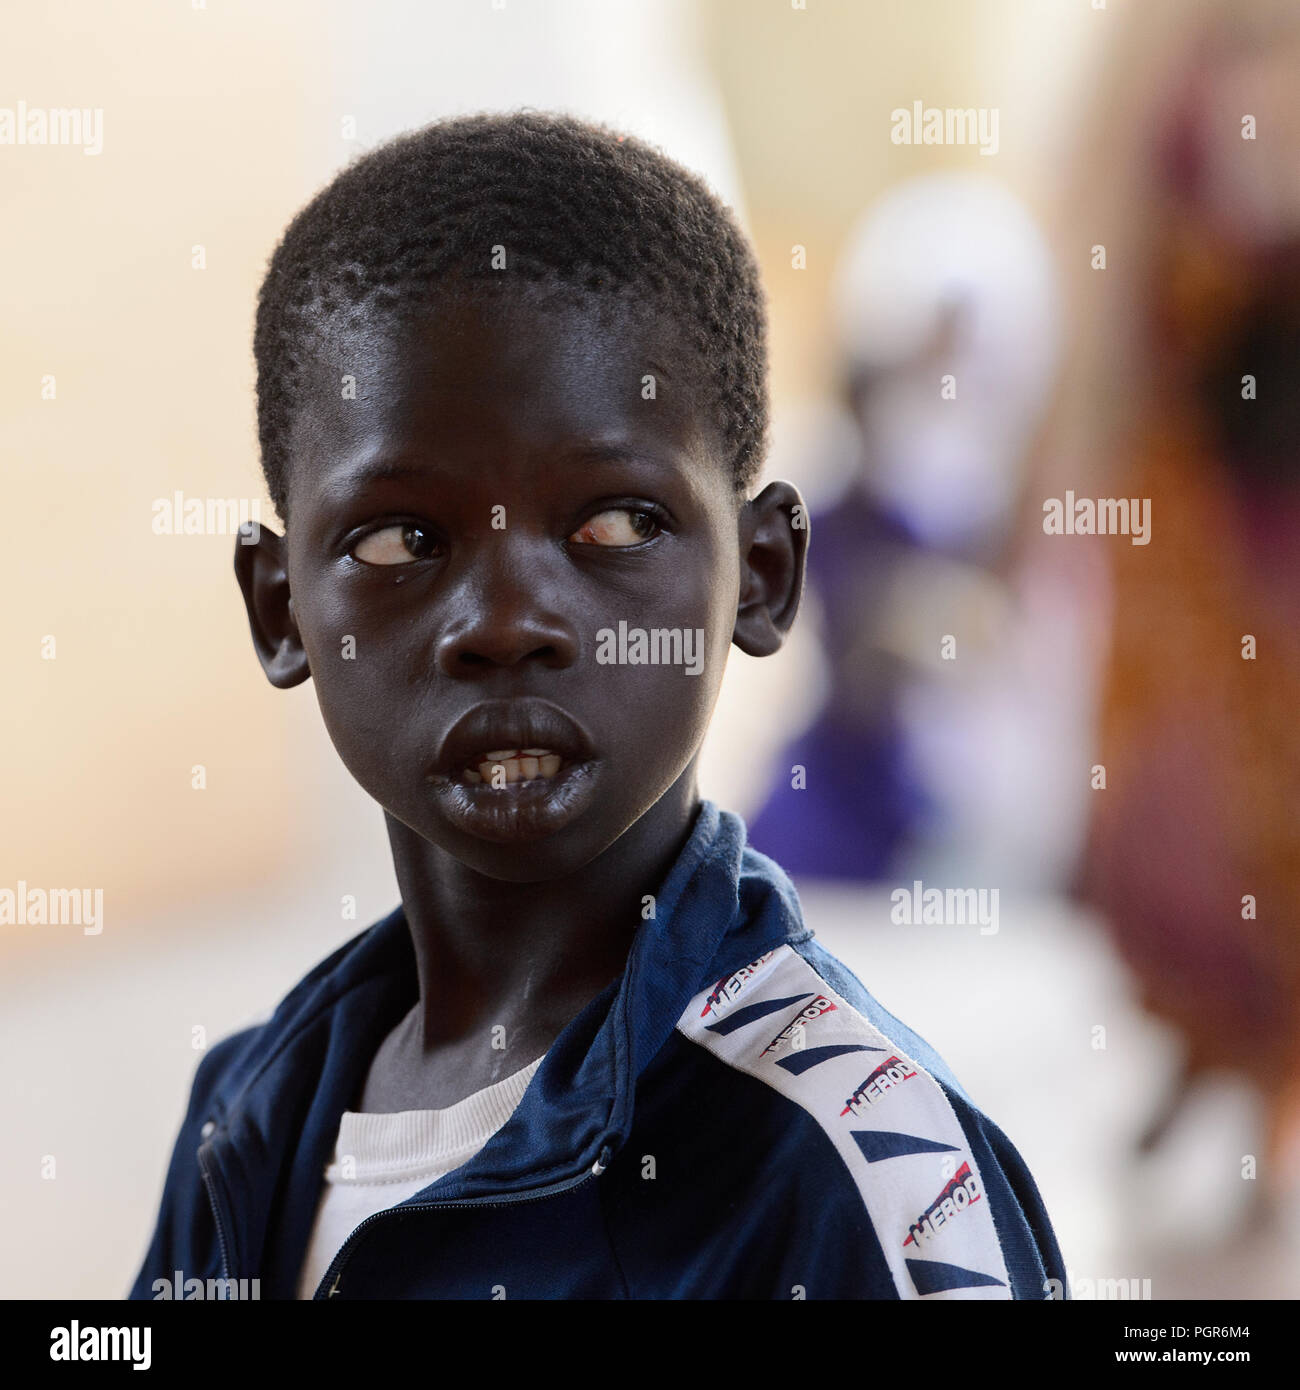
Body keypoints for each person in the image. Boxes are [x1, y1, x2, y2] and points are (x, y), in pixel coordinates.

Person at [128, 112, 1065, 1301]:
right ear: (280, 609)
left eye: (616, 523)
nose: (508, 619)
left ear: (763, 572)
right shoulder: (246, 1118)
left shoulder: (859, 1171)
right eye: (401, 537)